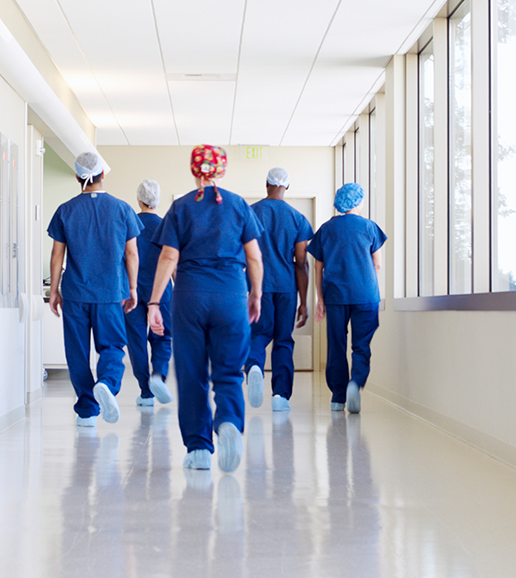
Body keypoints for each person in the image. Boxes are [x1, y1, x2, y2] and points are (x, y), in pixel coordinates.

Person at [147, 145, 264, 473]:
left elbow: (169, 257)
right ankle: (227, 420)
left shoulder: (181, 207)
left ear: (194, 170)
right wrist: (255, 294)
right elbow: (254, 256)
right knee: (228, 370)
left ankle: (198, 448)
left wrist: (154, 302)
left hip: (190, 296)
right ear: (221, 171)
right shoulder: (239, 205)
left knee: (192, 372)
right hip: (231, 293)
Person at [47, 152, 143, 426]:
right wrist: (133, 288)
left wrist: (54, 290)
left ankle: (87, 411)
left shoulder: (65, 210)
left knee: (77, 352)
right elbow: (132, 254)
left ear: (78, 177)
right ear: (103, 174)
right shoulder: (122, 209)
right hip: (111, 292)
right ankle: (107, 383)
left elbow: (57, 256)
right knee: (112, 346)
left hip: (75, 293)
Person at [307, 183, 386, 414]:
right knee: (361, 345)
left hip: (335, 295)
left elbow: (318, 267)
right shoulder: (369, 227)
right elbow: (377, 263)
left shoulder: (326, 229)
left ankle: (338, 397)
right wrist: (368, 285)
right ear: (358, 202)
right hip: (365, 295)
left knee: (336, 345)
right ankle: (355, 382)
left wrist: (320, 298)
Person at [244, 168, 313, 412]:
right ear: (287, 187)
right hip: (286, 287)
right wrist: (304, 301)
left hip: (257, 286)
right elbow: (302, 263)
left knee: (258, 335)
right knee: (283, 340)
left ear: (266, 185)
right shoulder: (297, 218)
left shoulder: (250, 213)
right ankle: (280, 396)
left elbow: (241, 254)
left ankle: (253, 366)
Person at [123, 179, 173, 407]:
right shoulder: (166, 225)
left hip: (131, 290)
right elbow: (172, 260)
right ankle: (158, 376)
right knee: (162, 337)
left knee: (136, 341)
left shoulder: (128, 223)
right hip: (161, 292)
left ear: (139, 199)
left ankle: (145, 392)